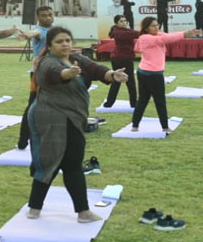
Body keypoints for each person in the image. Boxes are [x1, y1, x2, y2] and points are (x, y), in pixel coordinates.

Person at [26, 26, 128, 222]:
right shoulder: (47, 62)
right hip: (50, 119)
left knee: (73, 163)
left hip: (73, 118)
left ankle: (83, 212)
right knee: (49, 162)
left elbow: (96, 69)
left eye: (67, 40)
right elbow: (56, 73)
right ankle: (35, 208)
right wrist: (68, 73)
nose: (65, 44)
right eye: (59, 41)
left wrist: (112, 74)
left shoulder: (76, 59)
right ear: (49, 45)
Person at [130, 17, 185, 134]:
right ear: (146, 28)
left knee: (144, 100)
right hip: (152, 75)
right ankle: (164, 127)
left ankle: (135, 125)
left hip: (146, 72)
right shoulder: (146, 38)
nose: (157, 28)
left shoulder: (152, 37)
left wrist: (181, 34)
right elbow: (166, 38)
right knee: (157, 101)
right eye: (153, 26)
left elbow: (166, 35)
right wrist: (184, 34)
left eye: (157, 25)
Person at [15, 5, 55, 150]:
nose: (47, 17)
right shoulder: (40, 31)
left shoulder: (56, 30)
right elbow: (33, 33)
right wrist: (25, 35)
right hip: (40, 75)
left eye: (49, 14)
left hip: (55, 74)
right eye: (43, 15)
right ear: (38, 18)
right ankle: (23, 141)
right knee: (32, 108)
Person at [103, 14, 139, 110]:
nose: (124, 23)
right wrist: (144, 32)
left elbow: (133, 33)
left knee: (130, 81)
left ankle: (133, 103)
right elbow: (132, 34)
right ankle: (110, 103)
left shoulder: (126, 30)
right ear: (116, 23)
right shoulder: (117, 32)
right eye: (121, 21)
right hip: (119, 59)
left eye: (125, 21)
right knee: (118, 81)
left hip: (126, 58)